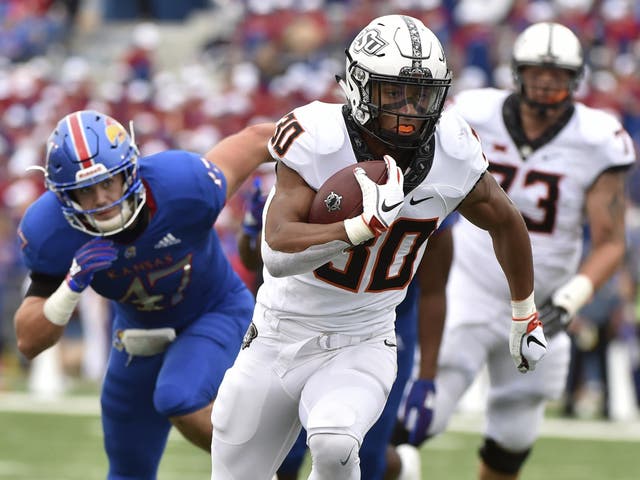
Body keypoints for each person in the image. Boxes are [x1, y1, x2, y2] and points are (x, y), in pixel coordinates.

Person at [211, 14, 547, 480]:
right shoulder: (316, 135)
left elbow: (507, 221)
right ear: (359, 86)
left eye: (422, 94)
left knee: (334, 441)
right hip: (278, 334)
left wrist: (523, 308)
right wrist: (353, 229)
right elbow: (277, 250)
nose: (410, 108)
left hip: (364, 338)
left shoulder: (452, 147)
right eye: (395, 93)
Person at [402, 22, 636, 480]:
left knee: (512, 438)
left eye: (558, 73)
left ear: (577, 78)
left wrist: (572, 299)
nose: (546, 81)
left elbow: (610, 241)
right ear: (516, 72)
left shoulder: (598, 139)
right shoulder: (474, 112)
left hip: (544, 303)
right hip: (470, 283)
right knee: (421, 415)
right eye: (536, 71)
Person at [13, 110, 274, 479]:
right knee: (127, 467)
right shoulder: (51, 230)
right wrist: (72, 285)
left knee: (179, 396)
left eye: (109, 183)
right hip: (137, 333)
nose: (101, 200)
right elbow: (28, 340)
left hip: (215, 309)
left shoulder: (182, 185)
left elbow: (257, 139)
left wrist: (335, 142)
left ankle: (267, 470)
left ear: (130, 171)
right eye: (84, 192)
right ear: (63, 196)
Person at [237, 177, 459, 480]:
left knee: (363, 455)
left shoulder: (431, 184)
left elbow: (434, 290)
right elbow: (258, 261)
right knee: (282, 453)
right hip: (305, 321)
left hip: (380, 327)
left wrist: (427, 376)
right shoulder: (308, 166)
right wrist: (253, 227)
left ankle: (399, 468)